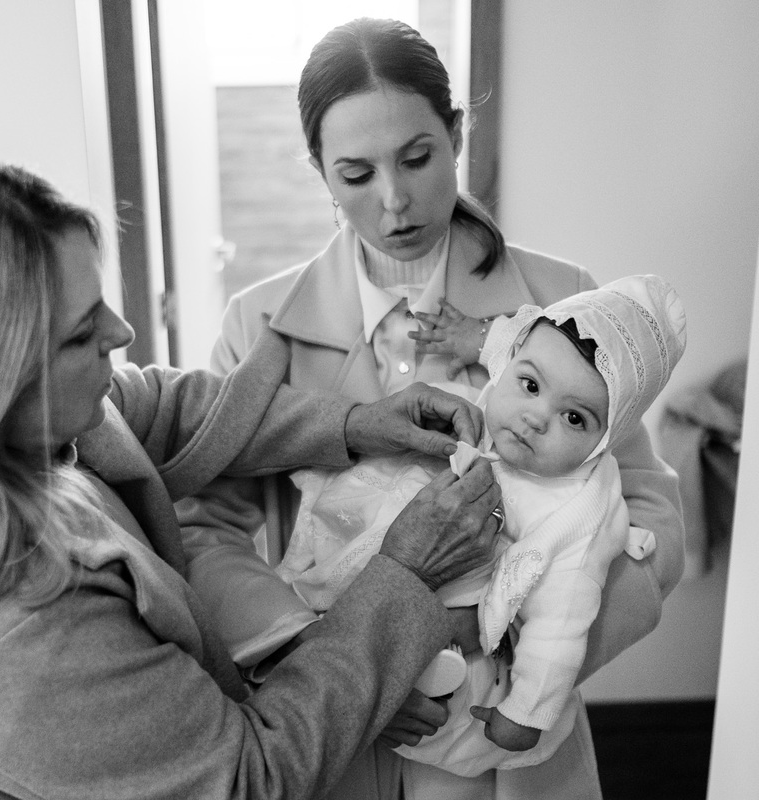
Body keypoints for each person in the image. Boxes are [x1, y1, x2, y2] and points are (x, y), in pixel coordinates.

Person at [0, 156, 506, 799]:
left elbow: (148, 408)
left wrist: (350, 424)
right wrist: (402, 573)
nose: (123, 332)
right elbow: (247, 779)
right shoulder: (18, 639)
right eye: (83, 334)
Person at [176, 17, 687, 800]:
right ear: (319, 171)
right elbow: (205, 529)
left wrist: (520, 673)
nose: (395, 201)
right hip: (332, 745)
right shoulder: (256, 325)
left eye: (418, 158)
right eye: (354, 174)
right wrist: (340, 667)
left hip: (513, 755)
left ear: (455, 134)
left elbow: (649, 508)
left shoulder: (564, 300)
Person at [277, 275, 687, 779]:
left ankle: (417, 672)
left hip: (481, 605)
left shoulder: (577, 510)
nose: (536, 418)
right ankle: (338, 634)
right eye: (530, 387)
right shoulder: (501, 391)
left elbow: (561, 625)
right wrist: (470, 336)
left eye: (574, 419)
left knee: (459, 643)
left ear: (607, 440)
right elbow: (508, 346)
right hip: (396, 544)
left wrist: (526, 712)